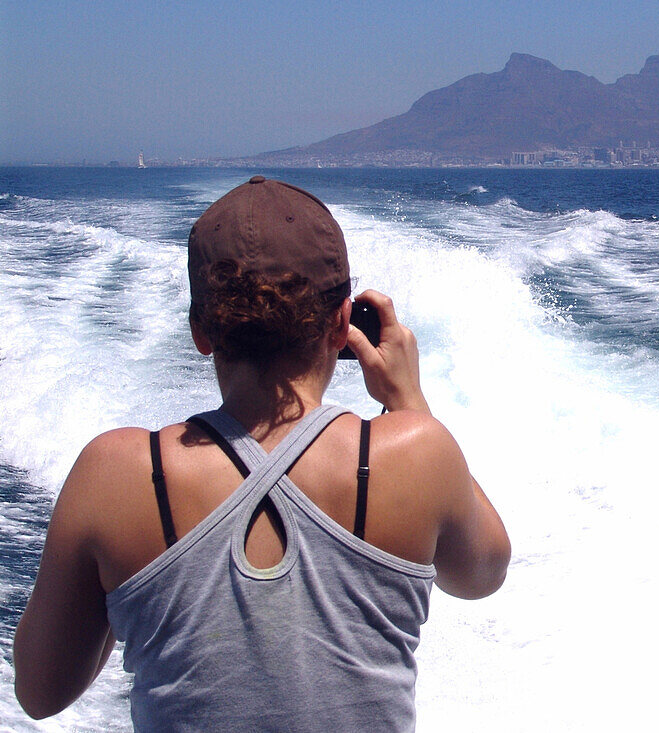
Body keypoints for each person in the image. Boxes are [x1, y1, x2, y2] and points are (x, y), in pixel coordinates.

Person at [12, 176, 510, 731]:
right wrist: (408, 400)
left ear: (201, 332)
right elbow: (482, 575)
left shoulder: (115, 474)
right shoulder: (417, 452)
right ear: (344, 324)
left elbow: (40, 693)